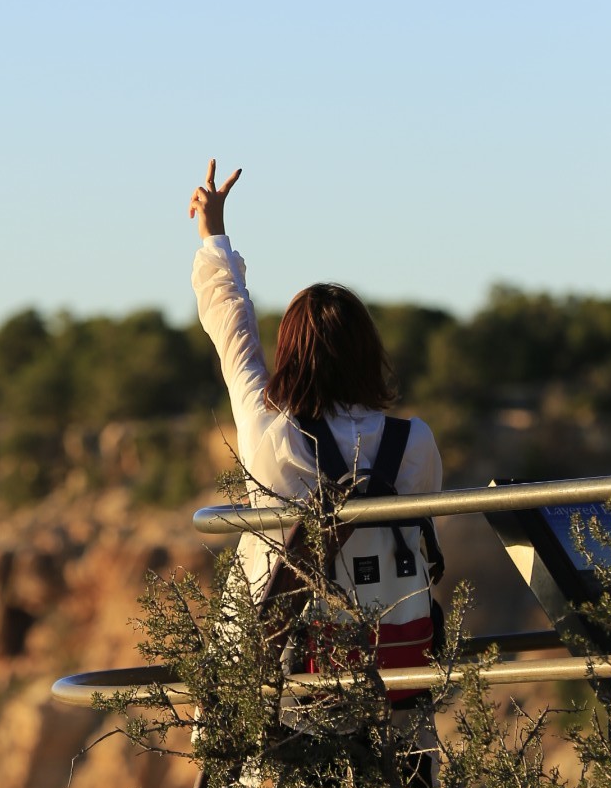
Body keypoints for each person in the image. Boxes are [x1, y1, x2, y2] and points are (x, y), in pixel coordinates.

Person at [188, 157, 443, 665]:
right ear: (369, 353)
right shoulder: (413, 442)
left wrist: (213, 237)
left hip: (288, 685)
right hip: (394, 679)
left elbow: (232, 328)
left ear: (291, 352)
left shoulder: (272, 432)